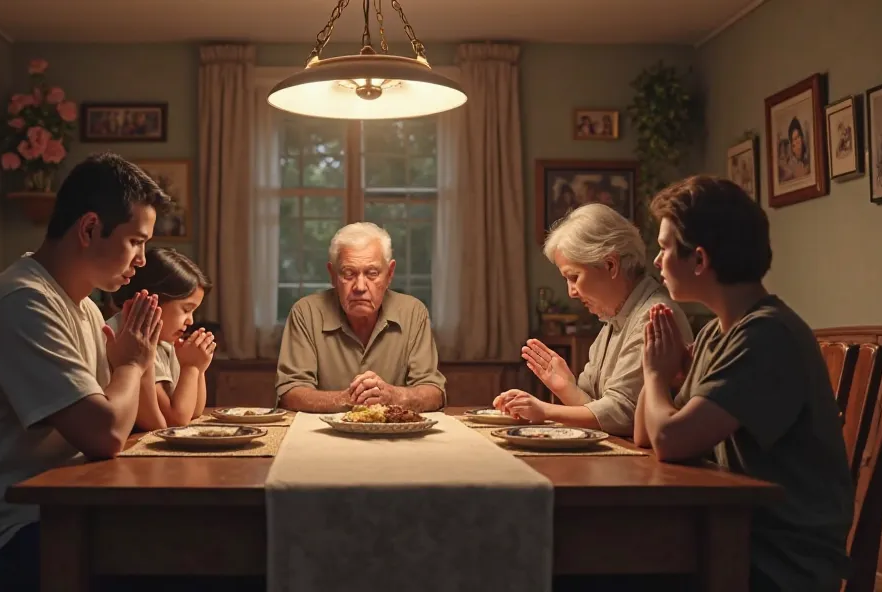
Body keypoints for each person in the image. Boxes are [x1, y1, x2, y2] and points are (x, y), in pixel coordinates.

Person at [0, 152, 171, 592]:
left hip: (59, 509)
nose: (142, 260)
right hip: (4, 538)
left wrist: (132, 366)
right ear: (88, 229)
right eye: (136, 241)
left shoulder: (80, 308)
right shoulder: (23, 302)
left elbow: (125, 417)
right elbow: (105, 434)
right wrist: (133, 363)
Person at [636, 175, 853, 591]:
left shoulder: (767, 335)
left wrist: (656, 374)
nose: (657, 262)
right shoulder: (718, 333)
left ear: (699, 260)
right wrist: (660, 374)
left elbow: (668, 439)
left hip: (779, 561)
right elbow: (646, 435)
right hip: (734, 535)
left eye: (664, 248)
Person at [494, 203, 691, 436]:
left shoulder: (652, 316)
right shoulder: (614, 318)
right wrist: (566, 387)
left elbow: (623, 415)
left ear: (610, 264)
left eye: (574, 277)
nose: (571, 292)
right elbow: (596, 413)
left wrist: (545, 411)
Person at [276, 222, 446, 412]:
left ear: (390, 274)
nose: (360, 287)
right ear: (333, 275)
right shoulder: (305, 313)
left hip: (395, 437)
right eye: (348, 274)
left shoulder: (414, 313)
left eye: (372, 274)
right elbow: (290, 394)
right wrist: (348, 399)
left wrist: (392, 396)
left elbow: (433, 393)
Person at [107, 247, 216, 430]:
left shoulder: (164, 343)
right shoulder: (131, 338)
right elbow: (176, 419)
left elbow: (194, 412)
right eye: (186, 309)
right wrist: (190, 367)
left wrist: (199, 368)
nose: (191, 321)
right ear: (152, 299)